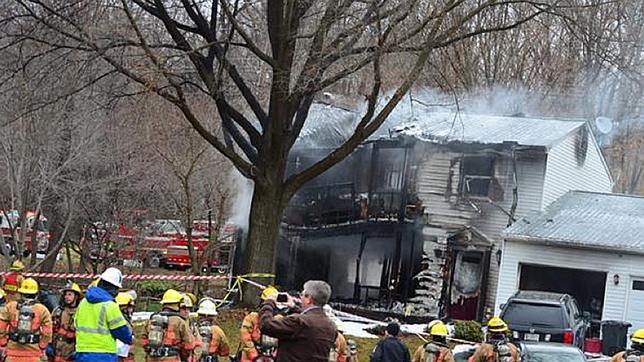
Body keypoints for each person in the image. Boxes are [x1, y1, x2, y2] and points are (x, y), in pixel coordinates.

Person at [259, 280, 337, 362]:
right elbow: (309, 324)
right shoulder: (331, 326)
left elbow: (266, 325)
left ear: (308, 299)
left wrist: (269, 302)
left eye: (302, 295)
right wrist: (293, 307)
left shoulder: (298, 321)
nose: (300, 297)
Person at [75, 267, 133, 362]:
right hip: (103, 354)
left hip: (82, 352)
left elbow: (76, 323)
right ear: (114, 289)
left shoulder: (83, 303)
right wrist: (129, 339)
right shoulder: (110, 305)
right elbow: (120, 330)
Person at [0, 278, 53, 362]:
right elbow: (47, 332)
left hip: (12, 353)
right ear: (36, 294)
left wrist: (3, 343)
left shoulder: (10, 307)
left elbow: (1, 327)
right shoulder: (42, 309)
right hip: (33, 353)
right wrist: (42, 346)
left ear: (21, 293)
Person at [141, 289, 194, 362]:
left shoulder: (151, 319)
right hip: (171, 358)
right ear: (177, 304)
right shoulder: (180, 321)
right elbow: (188, 344)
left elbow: (143, 340)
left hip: (152, 358)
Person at [239, 286, 280, 362]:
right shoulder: (252, 317)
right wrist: (254, 355)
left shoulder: (280, 319)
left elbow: (284, 339)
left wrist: (275, 355)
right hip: (251, 356)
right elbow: (245, 337)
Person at [48, 282, 83, 362]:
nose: (67, 297)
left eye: (70, 294)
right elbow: (50, 328)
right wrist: (48, 345)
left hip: (71, 353)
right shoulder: (58, 311)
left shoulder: (81, 312)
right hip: (56, 352)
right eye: (65, 295)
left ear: (76, 296)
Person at [115, 292, 135, 362]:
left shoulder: (125, 318)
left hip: (122, 352)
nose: (131, 309)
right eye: (130, 306)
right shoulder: (119, 319)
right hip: (119, 352)